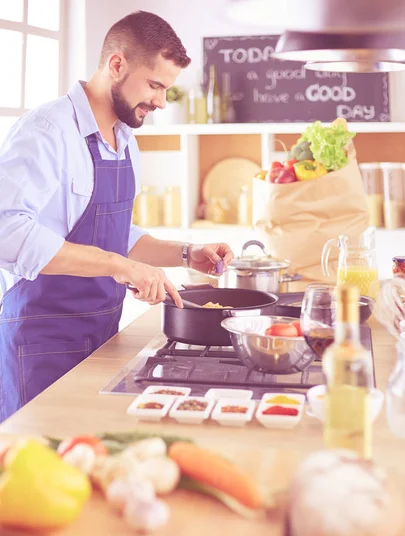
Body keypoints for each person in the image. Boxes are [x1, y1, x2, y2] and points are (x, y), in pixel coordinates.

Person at [0, 11, 234, 421]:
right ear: (117, 65)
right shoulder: (46, 131)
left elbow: (115, 234)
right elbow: (6, 231)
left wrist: (185, 253)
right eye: (156, 85)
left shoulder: (125, 141)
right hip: (40, 340)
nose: (161, 101)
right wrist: (117, 266)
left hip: (102, 337)